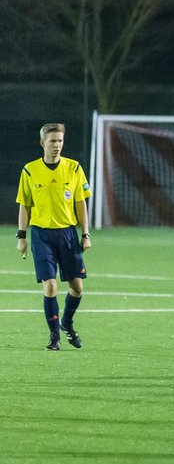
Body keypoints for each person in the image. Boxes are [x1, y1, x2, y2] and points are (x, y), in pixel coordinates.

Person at [15, 122, 92, 351]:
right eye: (52, 141)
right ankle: (54, 337)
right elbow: (24, 206)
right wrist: (21, 237)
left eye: (60, 141)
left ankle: (67, 323)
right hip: (41, 235)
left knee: (77, 288)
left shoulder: (74, 168)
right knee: (50, 287)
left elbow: (81, 204)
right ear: (42, 143)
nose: (57, 145)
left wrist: (85, 234)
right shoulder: (29, 170)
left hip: (68, 234)